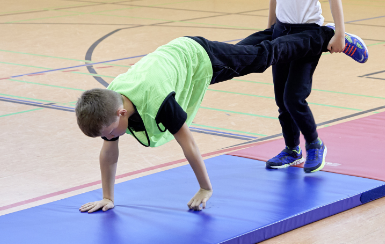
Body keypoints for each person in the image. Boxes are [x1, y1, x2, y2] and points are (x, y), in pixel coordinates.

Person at [74, 25, 368, 213]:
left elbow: (188, 144)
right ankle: (277, 32)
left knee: (260, 59)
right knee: (245, 56)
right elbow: (109, 151)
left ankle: (321, 35)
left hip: (195, 54)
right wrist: (108, 197)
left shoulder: (158, 101)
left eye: (112, 130)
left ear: (121, 112)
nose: (111, 136)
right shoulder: (109, 103)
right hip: (178, 67)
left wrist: (205, 187)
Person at [236, 0, 367, 173]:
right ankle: (292, 150)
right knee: (281, 99)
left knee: (293, 97)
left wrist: (340, 35)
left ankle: (314, 143)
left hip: (308, 35)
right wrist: (271, 27)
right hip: (281, 32)